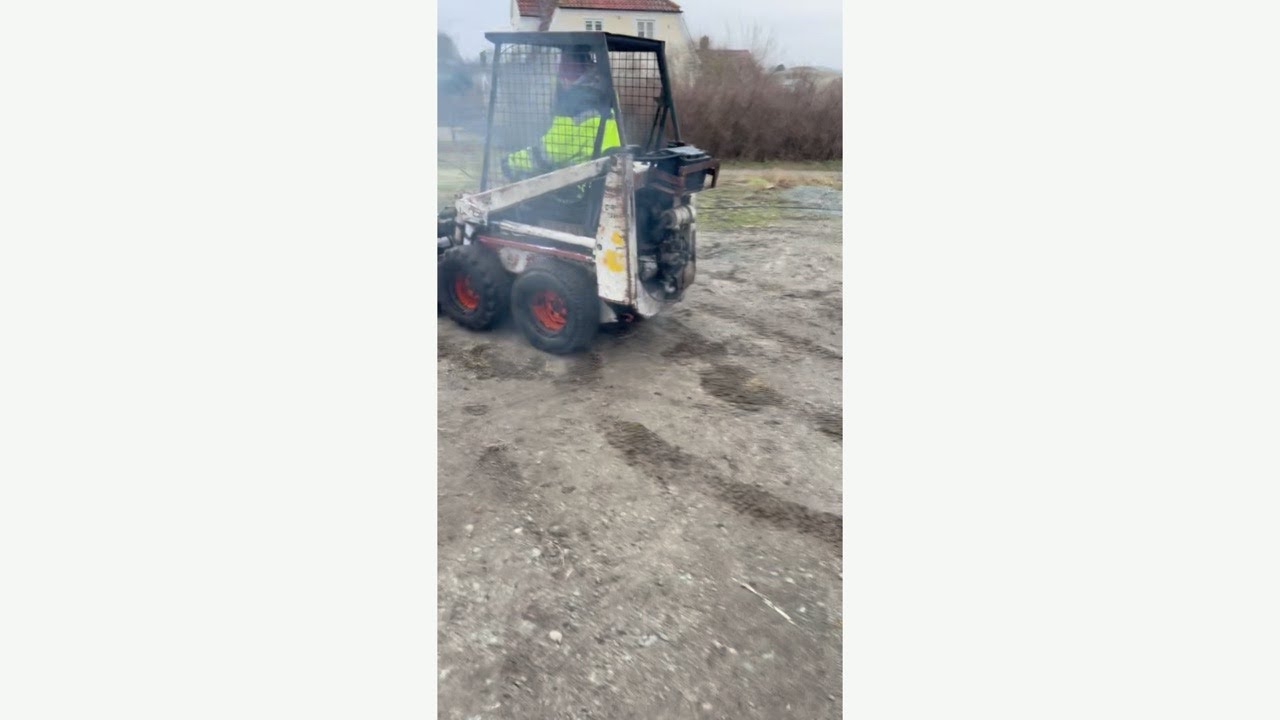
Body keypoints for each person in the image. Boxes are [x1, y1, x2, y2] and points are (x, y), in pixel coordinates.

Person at [502, 47, 621, 181]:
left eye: (565, 63)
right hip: (605, 177)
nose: (560, 71)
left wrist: (511, 162)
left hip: (582, 185)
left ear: (580, 66)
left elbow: (550, 153)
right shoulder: (601, 95)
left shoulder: (576, 104)